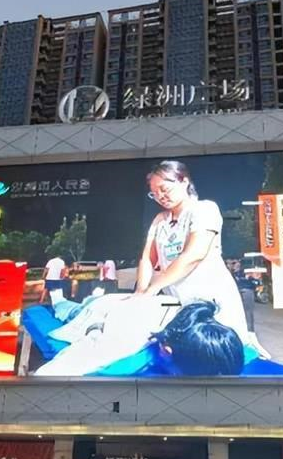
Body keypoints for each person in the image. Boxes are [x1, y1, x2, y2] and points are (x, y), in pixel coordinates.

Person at [136, 161, 249, 342]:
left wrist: (154, 288)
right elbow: (147, 259)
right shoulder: (160, 220)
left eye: (164, 189)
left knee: (214, 347)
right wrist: (140, 293)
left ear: (183, 181)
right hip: (178, 303)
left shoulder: (204, 209)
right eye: (154, 193)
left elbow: (193, 255)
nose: (160, 196)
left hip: (210, 300)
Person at [36, 295, 244, 378]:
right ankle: (59, 300)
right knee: (67, 310)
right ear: (166, 352)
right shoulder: (122, 343)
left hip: (132, 302)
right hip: (99, 311)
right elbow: (45, 376)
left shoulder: (202, 320)